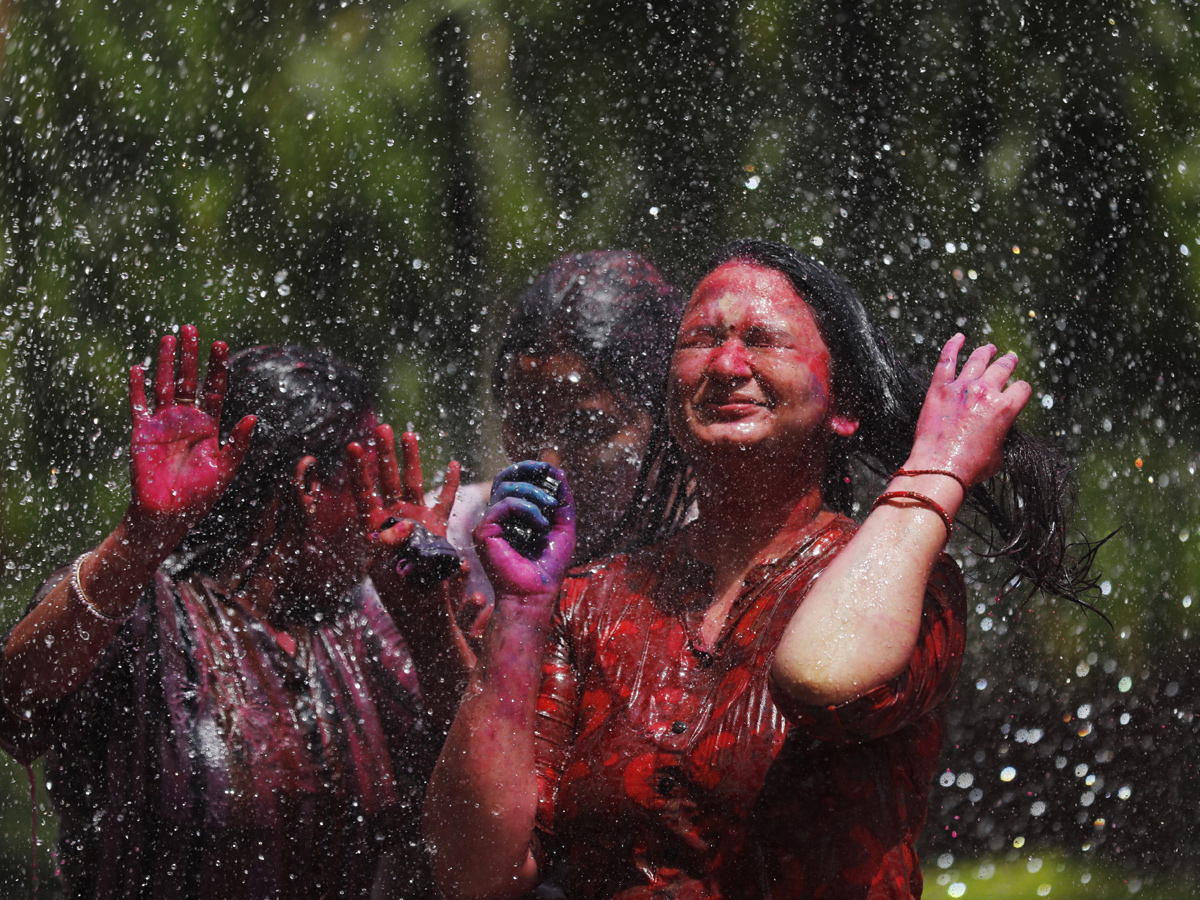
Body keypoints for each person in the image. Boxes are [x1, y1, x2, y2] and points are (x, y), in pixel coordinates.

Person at [424, 239, 1098, 900]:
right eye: (700, 340)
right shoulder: (585, 601)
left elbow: (822, 678)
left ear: (843, 407)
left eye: (765, 340)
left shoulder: (910, 588)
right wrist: (518, 619)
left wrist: (935, 470)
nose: (726, 362)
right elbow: (477, 874)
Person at [0, 328, 465, 900]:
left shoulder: (357, 634)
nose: (381, 511)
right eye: (367, 480)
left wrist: (434, 624)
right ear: (310, 488)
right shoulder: (147, 614)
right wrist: (139, 540)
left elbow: (480, 796)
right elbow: (13, 707)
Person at [443, 249, 682, 638]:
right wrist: (433, 635)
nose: (548, 464)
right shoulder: (454, 543)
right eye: (525, 423)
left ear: (668, 426)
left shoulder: (710, 562)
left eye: (588, 427)